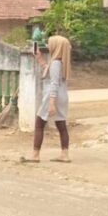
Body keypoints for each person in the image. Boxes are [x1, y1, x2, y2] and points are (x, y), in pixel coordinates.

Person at [22, 35, 72, 163]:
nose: (48, 46)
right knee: (61, 124)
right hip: (62, 95)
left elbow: (54, 84)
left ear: (56, 46)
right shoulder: (61, 62)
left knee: (39, 123)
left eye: (50, 43)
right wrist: (39, 58)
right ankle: (65, 154)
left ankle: (35, 155)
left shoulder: (55, 63)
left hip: (52, 95)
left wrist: (51, 103)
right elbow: (48, 71)